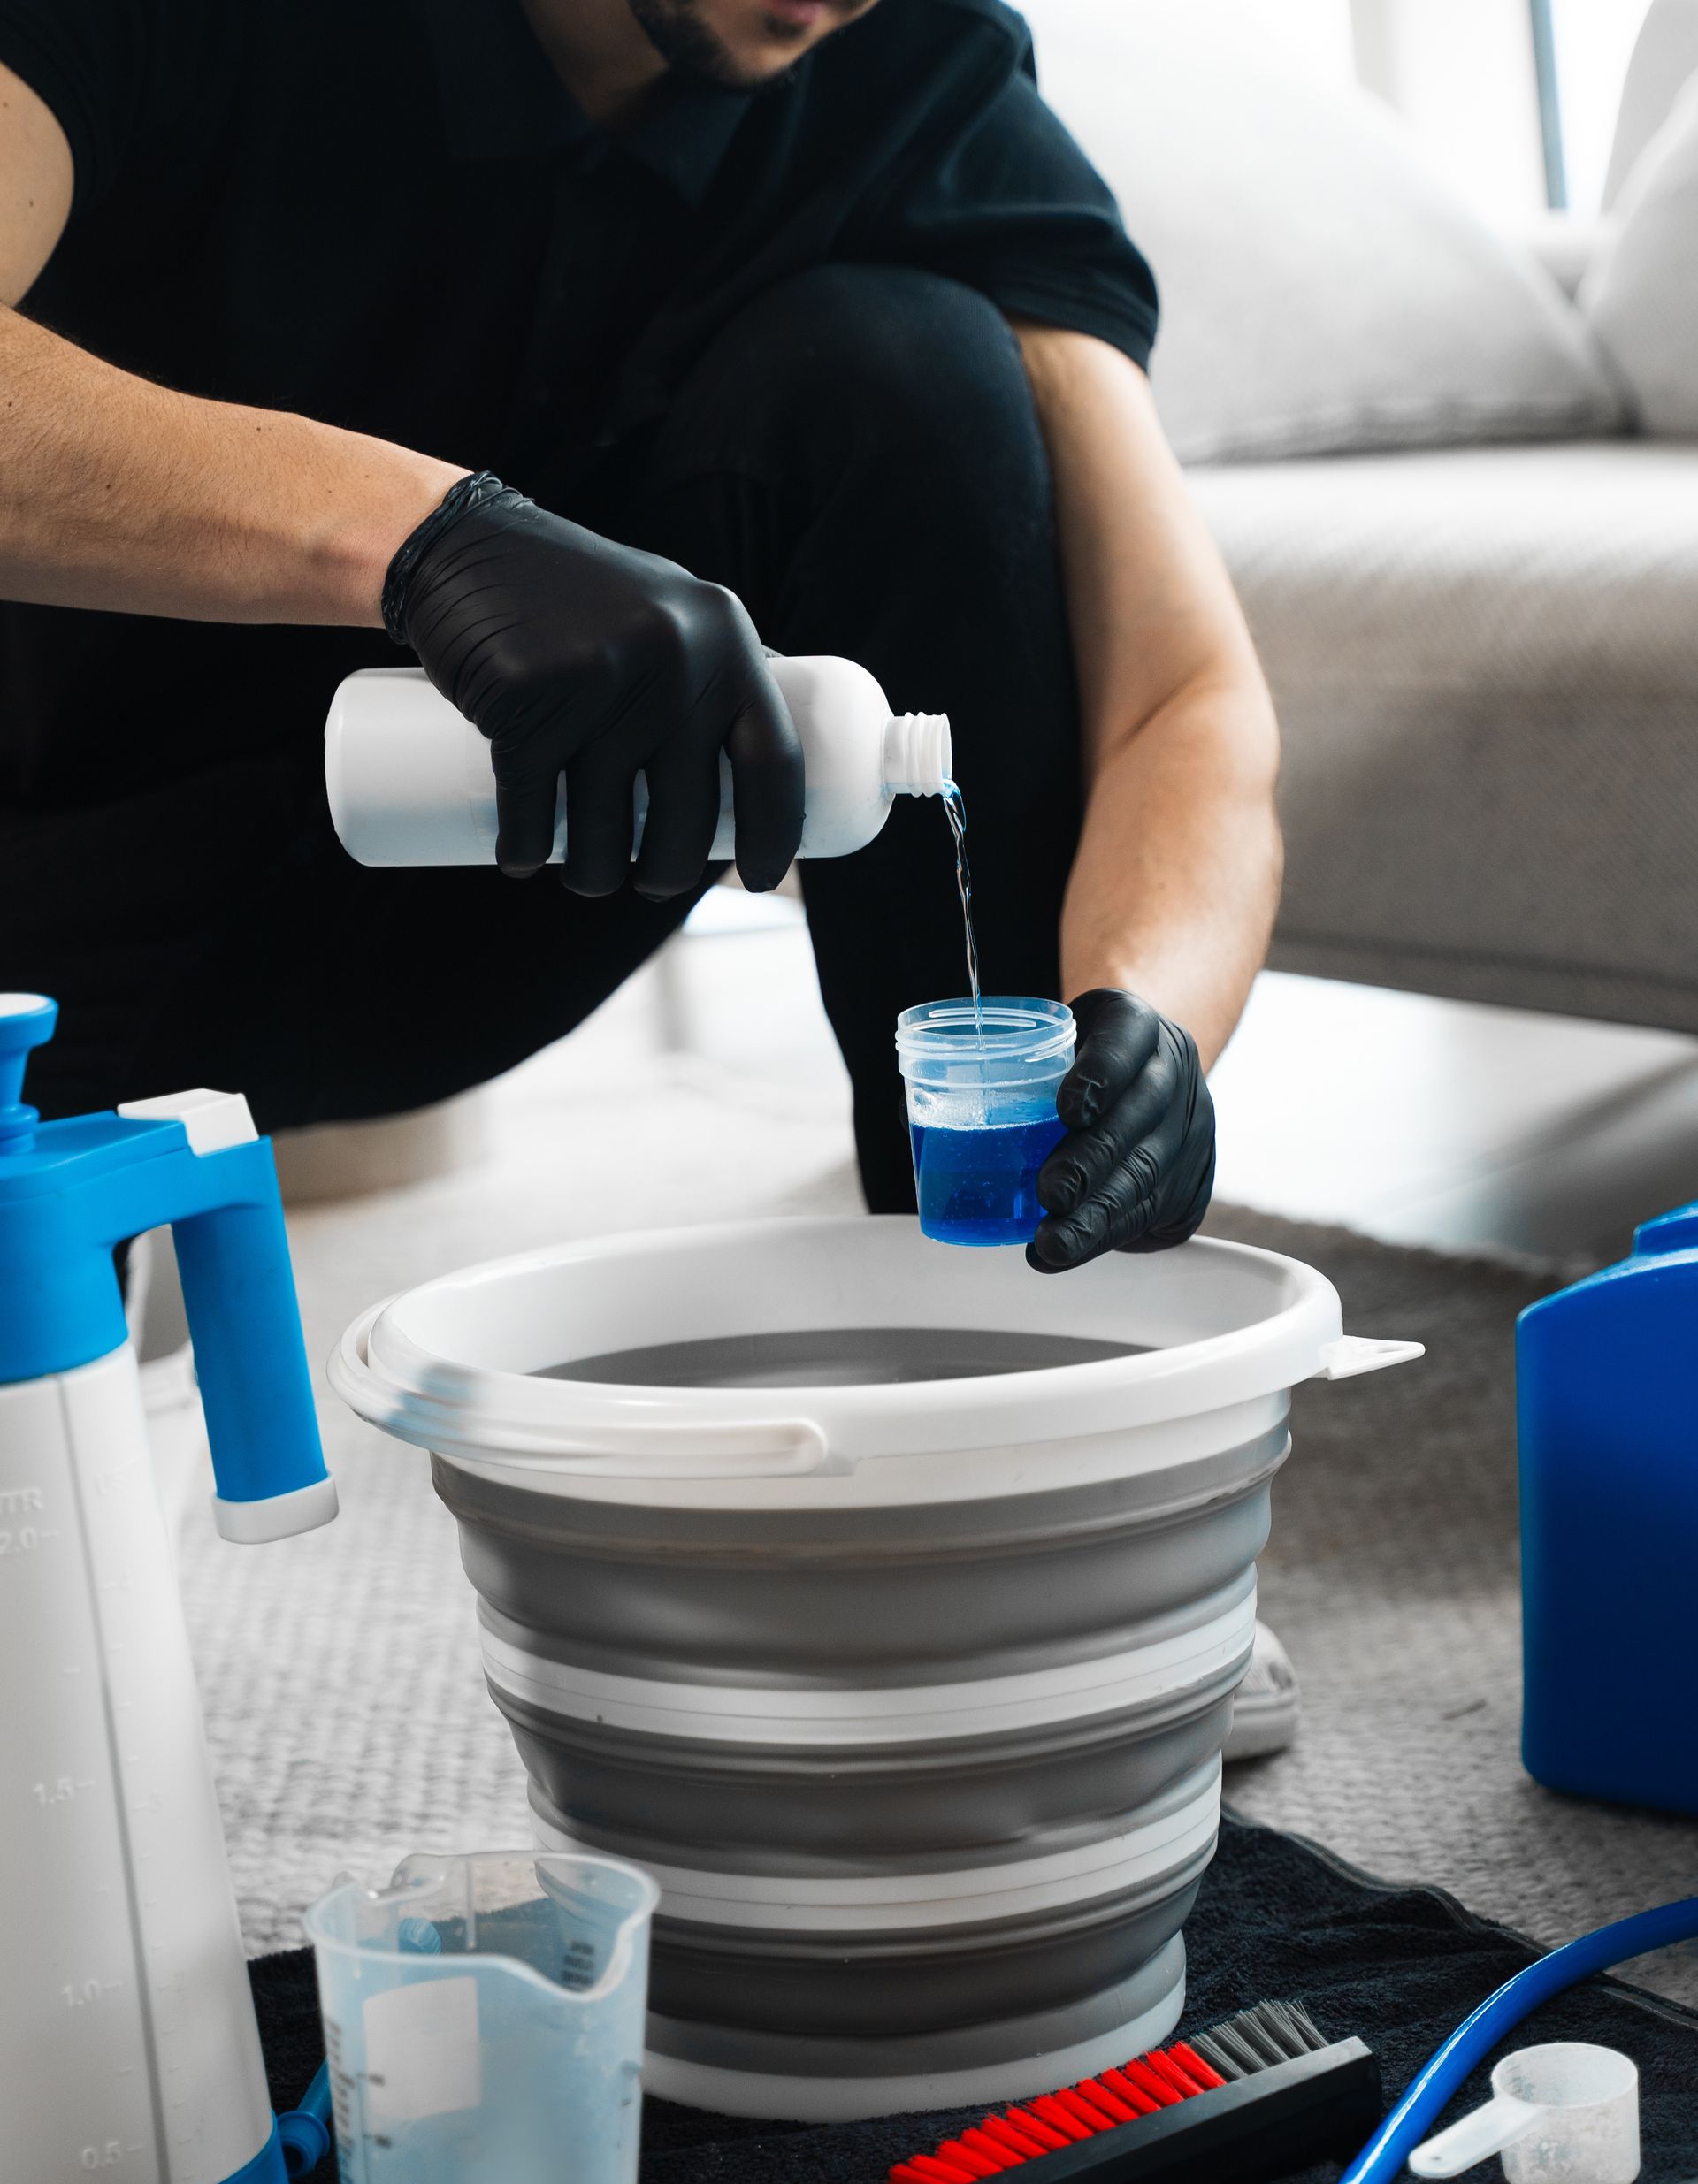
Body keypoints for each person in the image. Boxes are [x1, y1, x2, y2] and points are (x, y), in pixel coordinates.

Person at [0, 0, 1281, 1273]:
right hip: (43, 913)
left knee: (910, 376)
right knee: (46, 1450)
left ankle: (1001, 1294)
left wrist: (1149, 1018)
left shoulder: (917, 80)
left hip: (494, 882)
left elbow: (1181, 692)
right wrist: (427, 539)